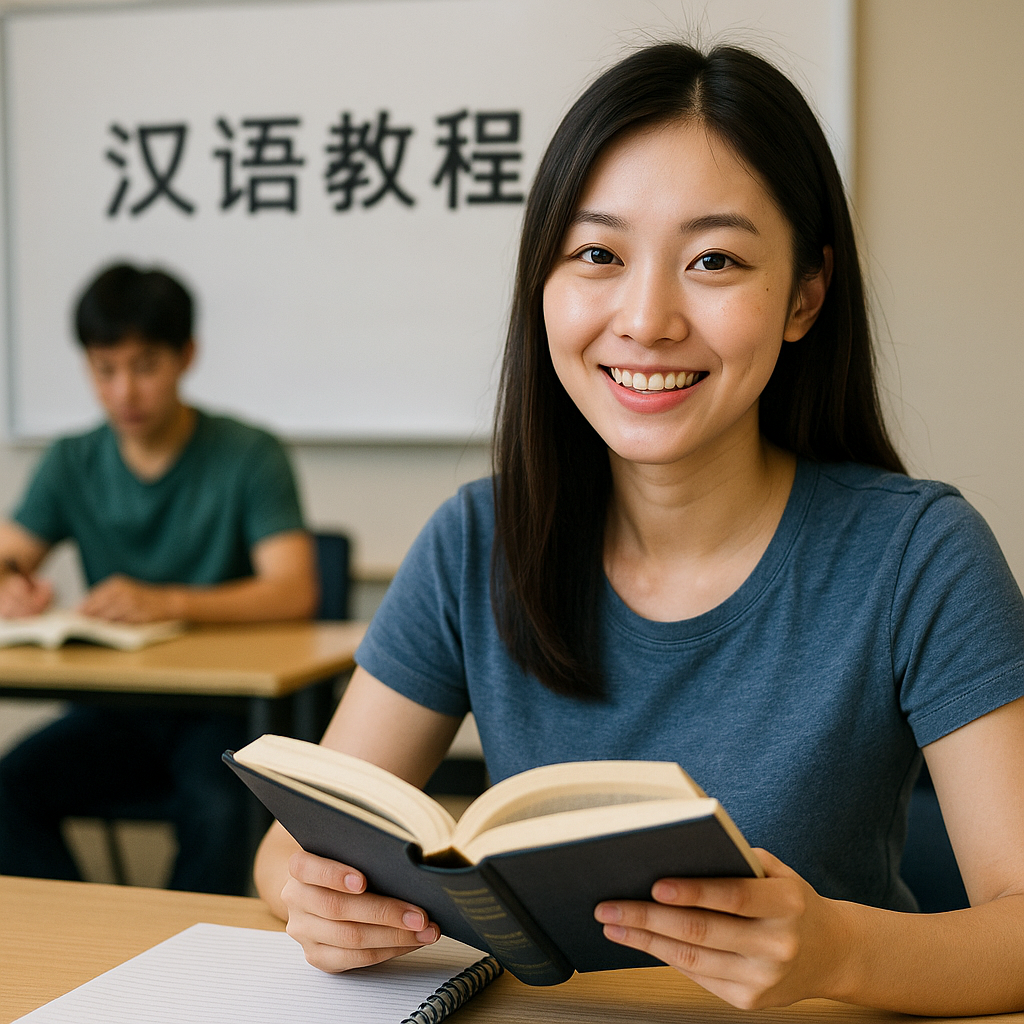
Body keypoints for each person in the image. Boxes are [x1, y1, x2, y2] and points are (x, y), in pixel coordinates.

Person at [253, 43, 1024, 1013]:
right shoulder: (475, 541)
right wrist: (311, 898)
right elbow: (292, 847)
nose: (646, 318)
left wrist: (833, 950)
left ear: (803, 297)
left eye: (713, 260)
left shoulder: (918, 556)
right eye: (597, 255)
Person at [0, 262, 317, 895]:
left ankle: (183, 966)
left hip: (223, 713)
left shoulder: (248, 454)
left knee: (219, 807)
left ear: (186, 356)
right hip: (117, 713)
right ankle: (86, 942)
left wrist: (165, 601)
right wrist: (13, 583)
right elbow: (8, 554)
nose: (124, 392)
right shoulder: (72, 460)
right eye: (104, 369)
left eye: (144, 366)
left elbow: (295, 588)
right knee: (7, 791)